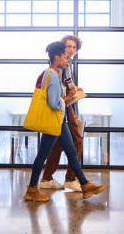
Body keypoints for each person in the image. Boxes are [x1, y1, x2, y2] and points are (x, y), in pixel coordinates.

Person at [24, 41, 105, 201]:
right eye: (63, 56)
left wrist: (70, 96)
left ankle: (85, 185)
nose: (66, 59)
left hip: (60, 122)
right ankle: (32, 190)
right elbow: (54, 103)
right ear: (56, 57)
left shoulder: (54, 73)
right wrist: (69, 97)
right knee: (42, 156)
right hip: (54, 122)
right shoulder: (53, 76)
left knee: (72, 153)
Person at [40, 35, 84, 191]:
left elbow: (67, 82)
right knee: (76, 140)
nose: (71, 50)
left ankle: (46, 178)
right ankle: (71, 179)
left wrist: (75, 88)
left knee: (57, 145)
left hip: (65, 105)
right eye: (68, 46)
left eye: (74, 47)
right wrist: (70, 94)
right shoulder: (58, 64)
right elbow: (57, 87)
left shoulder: (68, 63)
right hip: (62, 105)